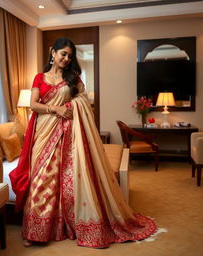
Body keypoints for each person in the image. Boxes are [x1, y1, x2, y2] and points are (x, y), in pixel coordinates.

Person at [9, 38, 157, 248]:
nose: (66, 59)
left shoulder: (73, 79)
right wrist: (56, 109)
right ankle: (35, 232)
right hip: (43, 132)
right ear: (53, 52)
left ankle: (63, 225)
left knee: (63, 181)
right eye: (63, 54)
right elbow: (33, 105)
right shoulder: (39, 77)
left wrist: (71, 105)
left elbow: (84, 102)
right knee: (41, 180)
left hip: (68, 134)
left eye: (70, 56)